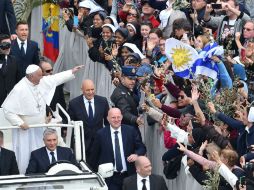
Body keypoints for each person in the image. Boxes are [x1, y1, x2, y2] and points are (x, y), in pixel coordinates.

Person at [1, 64, 83, 174]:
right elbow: (7, 110)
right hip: (25, 130)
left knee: (42, 152)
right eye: (39, 75)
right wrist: (20, 123)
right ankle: (26, 177)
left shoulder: (40, 81)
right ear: (31, 76)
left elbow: (54, 79)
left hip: (40, 126)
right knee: (26, 154)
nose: (42, 77)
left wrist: (71, 71)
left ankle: (43, 173)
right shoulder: (19, 88)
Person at [89, 108, 146, 190]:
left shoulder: (130, 131)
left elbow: (142, 147)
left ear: (122, 117)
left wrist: (137, 155)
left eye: (118, 117)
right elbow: (94, 157)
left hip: (129, 176)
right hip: (110, 178)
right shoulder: (100, 134)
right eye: (113, 117)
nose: (116, 120)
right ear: (108, 119)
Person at [68, 79, 109, 162]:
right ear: (82, 89)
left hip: (99, 141)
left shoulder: (103, 101)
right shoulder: (74, 103)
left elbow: (107, 121)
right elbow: (70, 124)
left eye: (92, 89)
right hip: (82, 143)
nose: (90, 92)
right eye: (87, 90)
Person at [111, 66, 143, 130]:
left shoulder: (127, 90)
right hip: (125, 130)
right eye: (130, 78)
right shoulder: (120, 93)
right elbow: (124, 111)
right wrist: (135, 119)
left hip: (131, 129)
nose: (133, 81)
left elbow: (135, 102)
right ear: (122, 78)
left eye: (134, 79)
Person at [0, 34, 18, 105]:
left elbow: (17, 79)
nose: (8, 47)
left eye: (9, 45)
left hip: (10, 100)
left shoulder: (14, 60)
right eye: (5, 45)